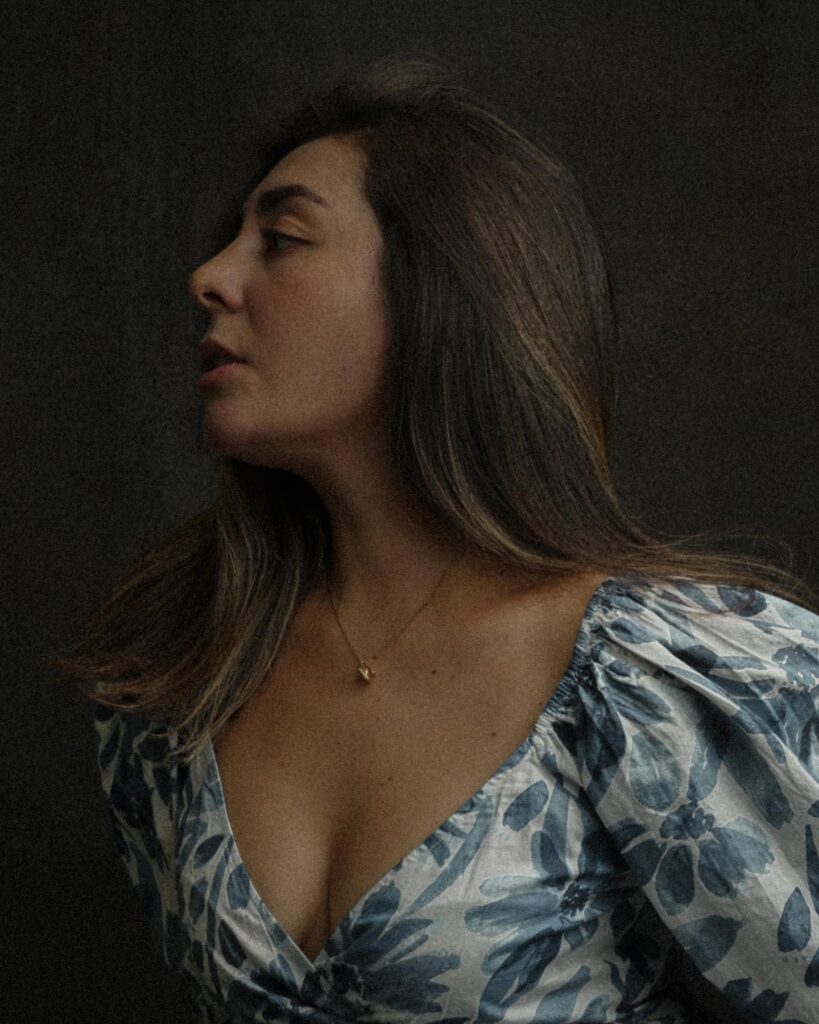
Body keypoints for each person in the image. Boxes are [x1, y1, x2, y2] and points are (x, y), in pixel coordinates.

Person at [54, 54, 819, 1023]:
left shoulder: (653, 675)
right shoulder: (178, 676)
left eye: (281, 239)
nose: (209, 278)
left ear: (440, 289)